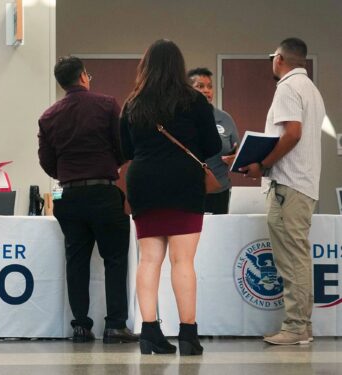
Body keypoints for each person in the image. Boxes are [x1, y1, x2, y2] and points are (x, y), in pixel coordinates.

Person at [120, 39, 221, 356]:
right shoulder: (194, 101)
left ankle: (149, 332)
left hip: (144, 182)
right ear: (178, 66)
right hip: (183, 183)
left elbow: (125, 151)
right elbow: (213, 146)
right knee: (183, 261)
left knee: (148, 259)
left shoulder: (133, 103)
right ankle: (188, 336)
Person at [37, 56, 138, 344]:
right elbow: (123, 147)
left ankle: (80, 326)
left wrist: (68, 173)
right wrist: (109, 165)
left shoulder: (48, 116)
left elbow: (47, 161)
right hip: (103, 191)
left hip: (68, 195)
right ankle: (115, 325)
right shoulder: (106, 104)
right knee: (115, 259)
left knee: (76, 261)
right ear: (83, 76)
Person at [241, 38, 325, 346]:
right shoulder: (311, 90)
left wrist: (262, 164)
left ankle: (296, 326)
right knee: (297, 256)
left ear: (279, 58)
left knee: (291, 258)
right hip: (302, 184)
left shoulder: (288, 88)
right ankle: (301, 323)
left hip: (288, 186)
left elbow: (292, 133)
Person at [187, 67, 240, 214]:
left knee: (218, 235)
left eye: (210, 86)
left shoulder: (225, 118)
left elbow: (238, 151)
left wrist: (234, 159)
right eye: (200, 86)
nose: (206, 91)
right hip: (187, 190)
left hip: (218, 189)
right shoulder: (181, 118)